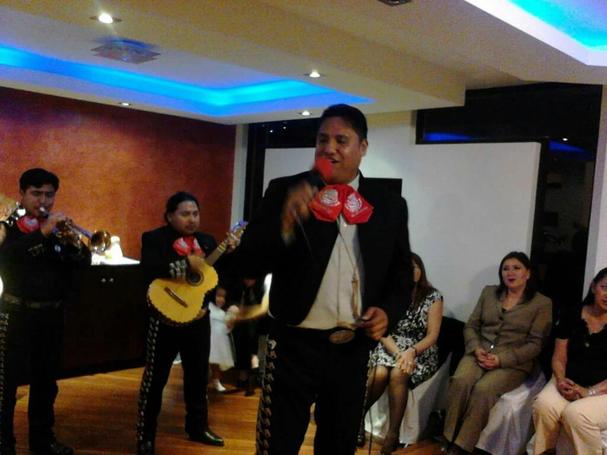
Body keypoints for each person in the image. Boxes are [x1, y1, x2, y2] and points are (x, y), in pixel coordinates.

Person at [236, 104, 413, 454]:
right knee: (276, 446)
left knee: (338, 445)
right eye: (322, 139)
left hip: (352, 349)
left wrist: (387, 312)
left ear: (363, 147)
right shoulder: (285, 191)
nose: (329, 148)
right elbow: (247, 265)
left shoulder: (390, 205)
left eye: (341, 140)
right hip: (292, 345)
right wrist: (284, 224)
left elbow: (401, 276)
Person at [0, 168, 91, 455]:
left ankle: (42, 440)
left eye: (49, 195)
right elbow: (9, 258)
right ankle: (3, 443)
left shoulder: (58, 231)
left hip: (50, 316)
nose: (43, 200)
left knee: (46, 383)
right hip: (15, 313)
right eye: (36, 193)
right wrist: (43, 232)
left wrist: (75, 245)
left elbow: (83, 264)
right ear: (22, 194)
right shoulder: (8, 228)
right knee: (5, 383)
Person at [136, 192, 225, 455]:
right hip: (163, 319)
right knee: (155, 380)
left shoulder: (207, 241)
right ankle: (145, 435)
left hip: (198, 320)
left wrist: (227, 260)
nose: (192, 219)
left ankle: (197, 427)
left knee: (198, 377)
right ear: (169, 216)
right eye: (185, 214)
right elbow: (150, 269)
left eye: (195, 214)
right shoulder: (154, 238)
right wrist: (187, 263)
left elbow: (215, 276)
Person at [442, 251, 552, 455]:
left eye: (516, 268)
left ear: (528, 273)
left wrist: (501, 360)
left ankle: (461, 446)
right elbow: (471, 326)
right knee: (460, 381)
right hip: (479, 353)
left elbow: (536, 344)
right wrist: (476, 348)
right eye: (505, 268)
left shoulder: (541, 303)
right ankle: (448, 436)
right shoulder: (489, 293)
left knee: (483, 389)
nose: (510, 272)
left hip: (513, 363)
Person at [360, 253, 443, 454]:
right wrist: (399, 354)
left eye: (415, 267)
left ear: (421, 270)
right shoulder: (389, 294)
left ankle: (393, 433)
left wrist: (411, 352)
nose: (411, 271)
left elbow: (432, 335)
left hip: (420, 349)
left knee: (399, 373)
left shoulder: (433, 296)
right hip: (390, 345)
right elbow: (382, 332)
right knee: (380, 373)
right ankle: (357, 418)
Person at [532, 267, 607, 455]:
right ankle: (546, 451)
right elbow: (559, 356)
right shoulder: (572, 314)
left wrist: (588, 392)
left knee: (575, 414)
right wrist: (560, 380)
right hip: (569, 380)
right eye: (605, 287)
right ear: (593, 287)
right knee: (544, 405)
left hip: (603, 390)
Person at [209, 286, 237, 392]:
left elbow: (227, 329)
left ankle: (216, 381)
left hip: (219, 342)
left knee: (216, 364)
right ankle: (202, 383)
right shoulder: (209, 307)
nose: (221, 299)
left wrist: (232, 320)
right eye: (218, 296)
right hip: (208, 339)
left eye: (223, 297)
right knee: (204, 364)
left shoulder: (223, 313)